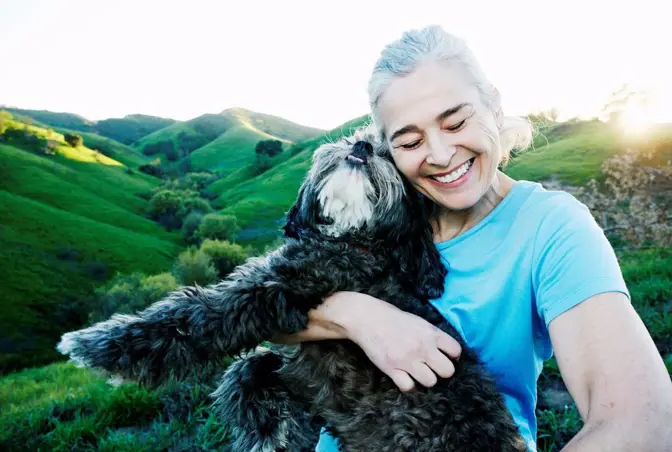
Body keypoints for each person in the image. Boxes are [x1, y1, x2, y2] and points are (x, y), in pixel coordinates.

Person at [274, 25, 672, 451]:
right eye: (410, 141)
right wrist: (361, 317)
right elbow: (267, 314)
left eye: (457, 122)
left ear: (494, 106)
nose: (442, 155)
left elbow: (644, 421)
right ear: (387, 149)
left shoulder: (550, 228)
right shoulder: (378, 216)